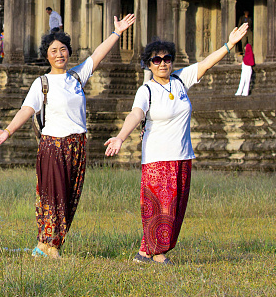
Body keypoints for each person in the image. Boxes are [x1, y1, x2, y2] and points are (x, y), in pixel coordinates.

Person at [0, 13, 137, 258]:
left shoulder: (77, 77)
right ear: (47, 55)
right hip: (53, 145)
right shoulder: (42, 83)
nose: (59, 55)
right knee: (52, 196)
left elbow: (98, 55)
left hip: (77, 145)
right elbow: (27, 109)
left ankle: (47, 244)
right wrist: (7, 131)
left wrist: (117, 33)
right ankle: (50, 244)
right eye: (54, 51)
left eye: (63, 50)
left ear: (69, 52)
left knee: (69, 197)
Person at [105, 22, 249, 265]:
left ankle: (145, 253)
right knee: (160, 208)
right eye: (156, 60)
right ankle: (157, 253)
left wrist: (229, 45)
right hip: (157, 158)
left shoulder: (180, 81)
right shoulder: (146, 90)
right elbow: (136, 114)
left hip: (182, 155)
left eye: (167, 59)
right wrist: (121, 136)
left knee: (176, 208)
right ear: (148, 65)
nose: (162, 63)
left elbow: (206, 64)